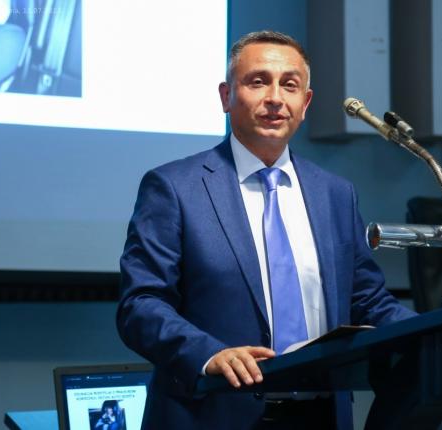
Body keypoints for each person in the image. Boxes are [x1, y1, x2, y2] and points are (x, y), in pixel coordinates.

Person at [117, 30, 417, 430]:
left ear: (305, 103)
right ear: (226, 96)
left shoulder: (334, 194)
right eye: (258, 81)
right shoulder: (175, 188)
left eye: (289, 85)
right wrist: (207, 355)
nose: (275, 97)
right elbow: (140, 304)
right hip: (215, 412)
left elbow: (368, 301)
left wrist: (433, 335)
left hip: (321, 417)